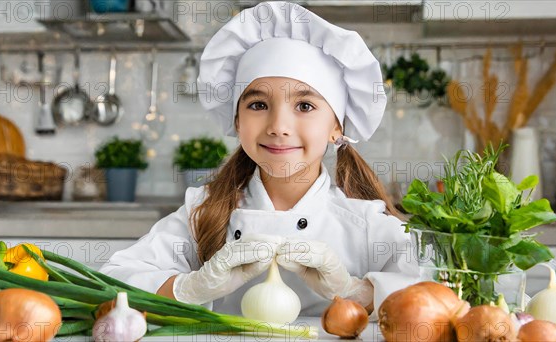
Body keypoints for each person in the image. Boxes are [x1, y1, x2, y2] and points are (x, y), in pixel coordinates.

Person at [100, 1, 419, 320]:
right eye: (257, 105)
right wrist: (191, 287)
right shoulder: (202, 213)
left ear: (337, 126)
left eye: (305, 106)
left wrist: (356, 291)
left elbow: (435, 295)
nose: (278, 127)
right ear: (237, 120)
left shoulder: (365, 226)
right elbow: (113, 281)